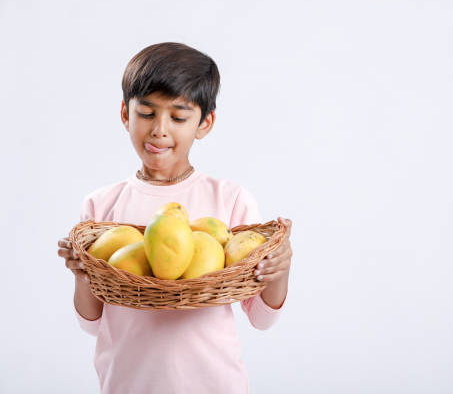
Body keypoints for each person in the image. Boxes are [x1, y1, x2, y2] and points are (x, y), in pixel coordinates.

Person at [56, 42, 293, 393]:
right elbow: (92, 324)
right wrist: (82, 274)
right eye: (147, 113)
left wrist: (278, 272)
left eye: (179, 117)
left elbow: (261, 317)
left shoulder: (229, 200)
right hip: (127, 384)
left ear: (205, 122)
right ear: (125, 113)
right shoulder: (101, 207)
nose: (159, 130)